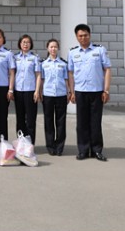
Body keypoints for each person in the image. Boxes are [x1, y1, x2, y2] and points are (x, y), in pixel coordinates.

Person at [68, 24, 112, 162]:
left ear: (90, 35)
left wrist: (106, 90)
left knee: (95, 122)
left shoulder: (99, 50)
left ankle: (96, 150)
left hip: (96, 92)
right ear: (76, 37)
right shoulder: (72, 53)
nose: (83, 38)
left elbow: (107, 69)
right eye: (80, 36)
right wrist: (72, 91)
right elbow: (70, 73)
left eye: (85, 35)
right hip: (80, 92)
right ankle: (83, 150)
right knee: (81, 123)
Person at [41, 38, 69, 156]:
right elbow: (42, 80)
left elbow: (66, 79)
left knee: (61, 121)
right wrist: (40, 92)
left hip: (61, 94)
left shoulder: (63, 64)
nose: (53, 49)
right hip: (47, 95)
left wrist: (69, 92)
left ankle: (59, 147)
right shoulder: (43, 64)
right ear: (47, 48)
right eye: (51, 47)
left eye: (55, 47)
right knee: (48, 121)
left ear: (58, 48)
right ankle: (50, 145)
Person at [13, 34, 41, 146]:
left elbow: (38, 75)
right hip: (18, 91)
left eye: (28, 42)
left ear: (31, 44)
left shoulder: (34, 58)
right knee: (20, 119)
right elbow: (12, 74)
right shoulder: (15, 57)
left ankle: (30, 144)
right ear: (20, 44)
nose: (25, 44)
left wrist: (37, 91)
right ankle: (21, 143)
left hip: (30, 91)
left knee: (30, 119)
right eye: (23, 42)